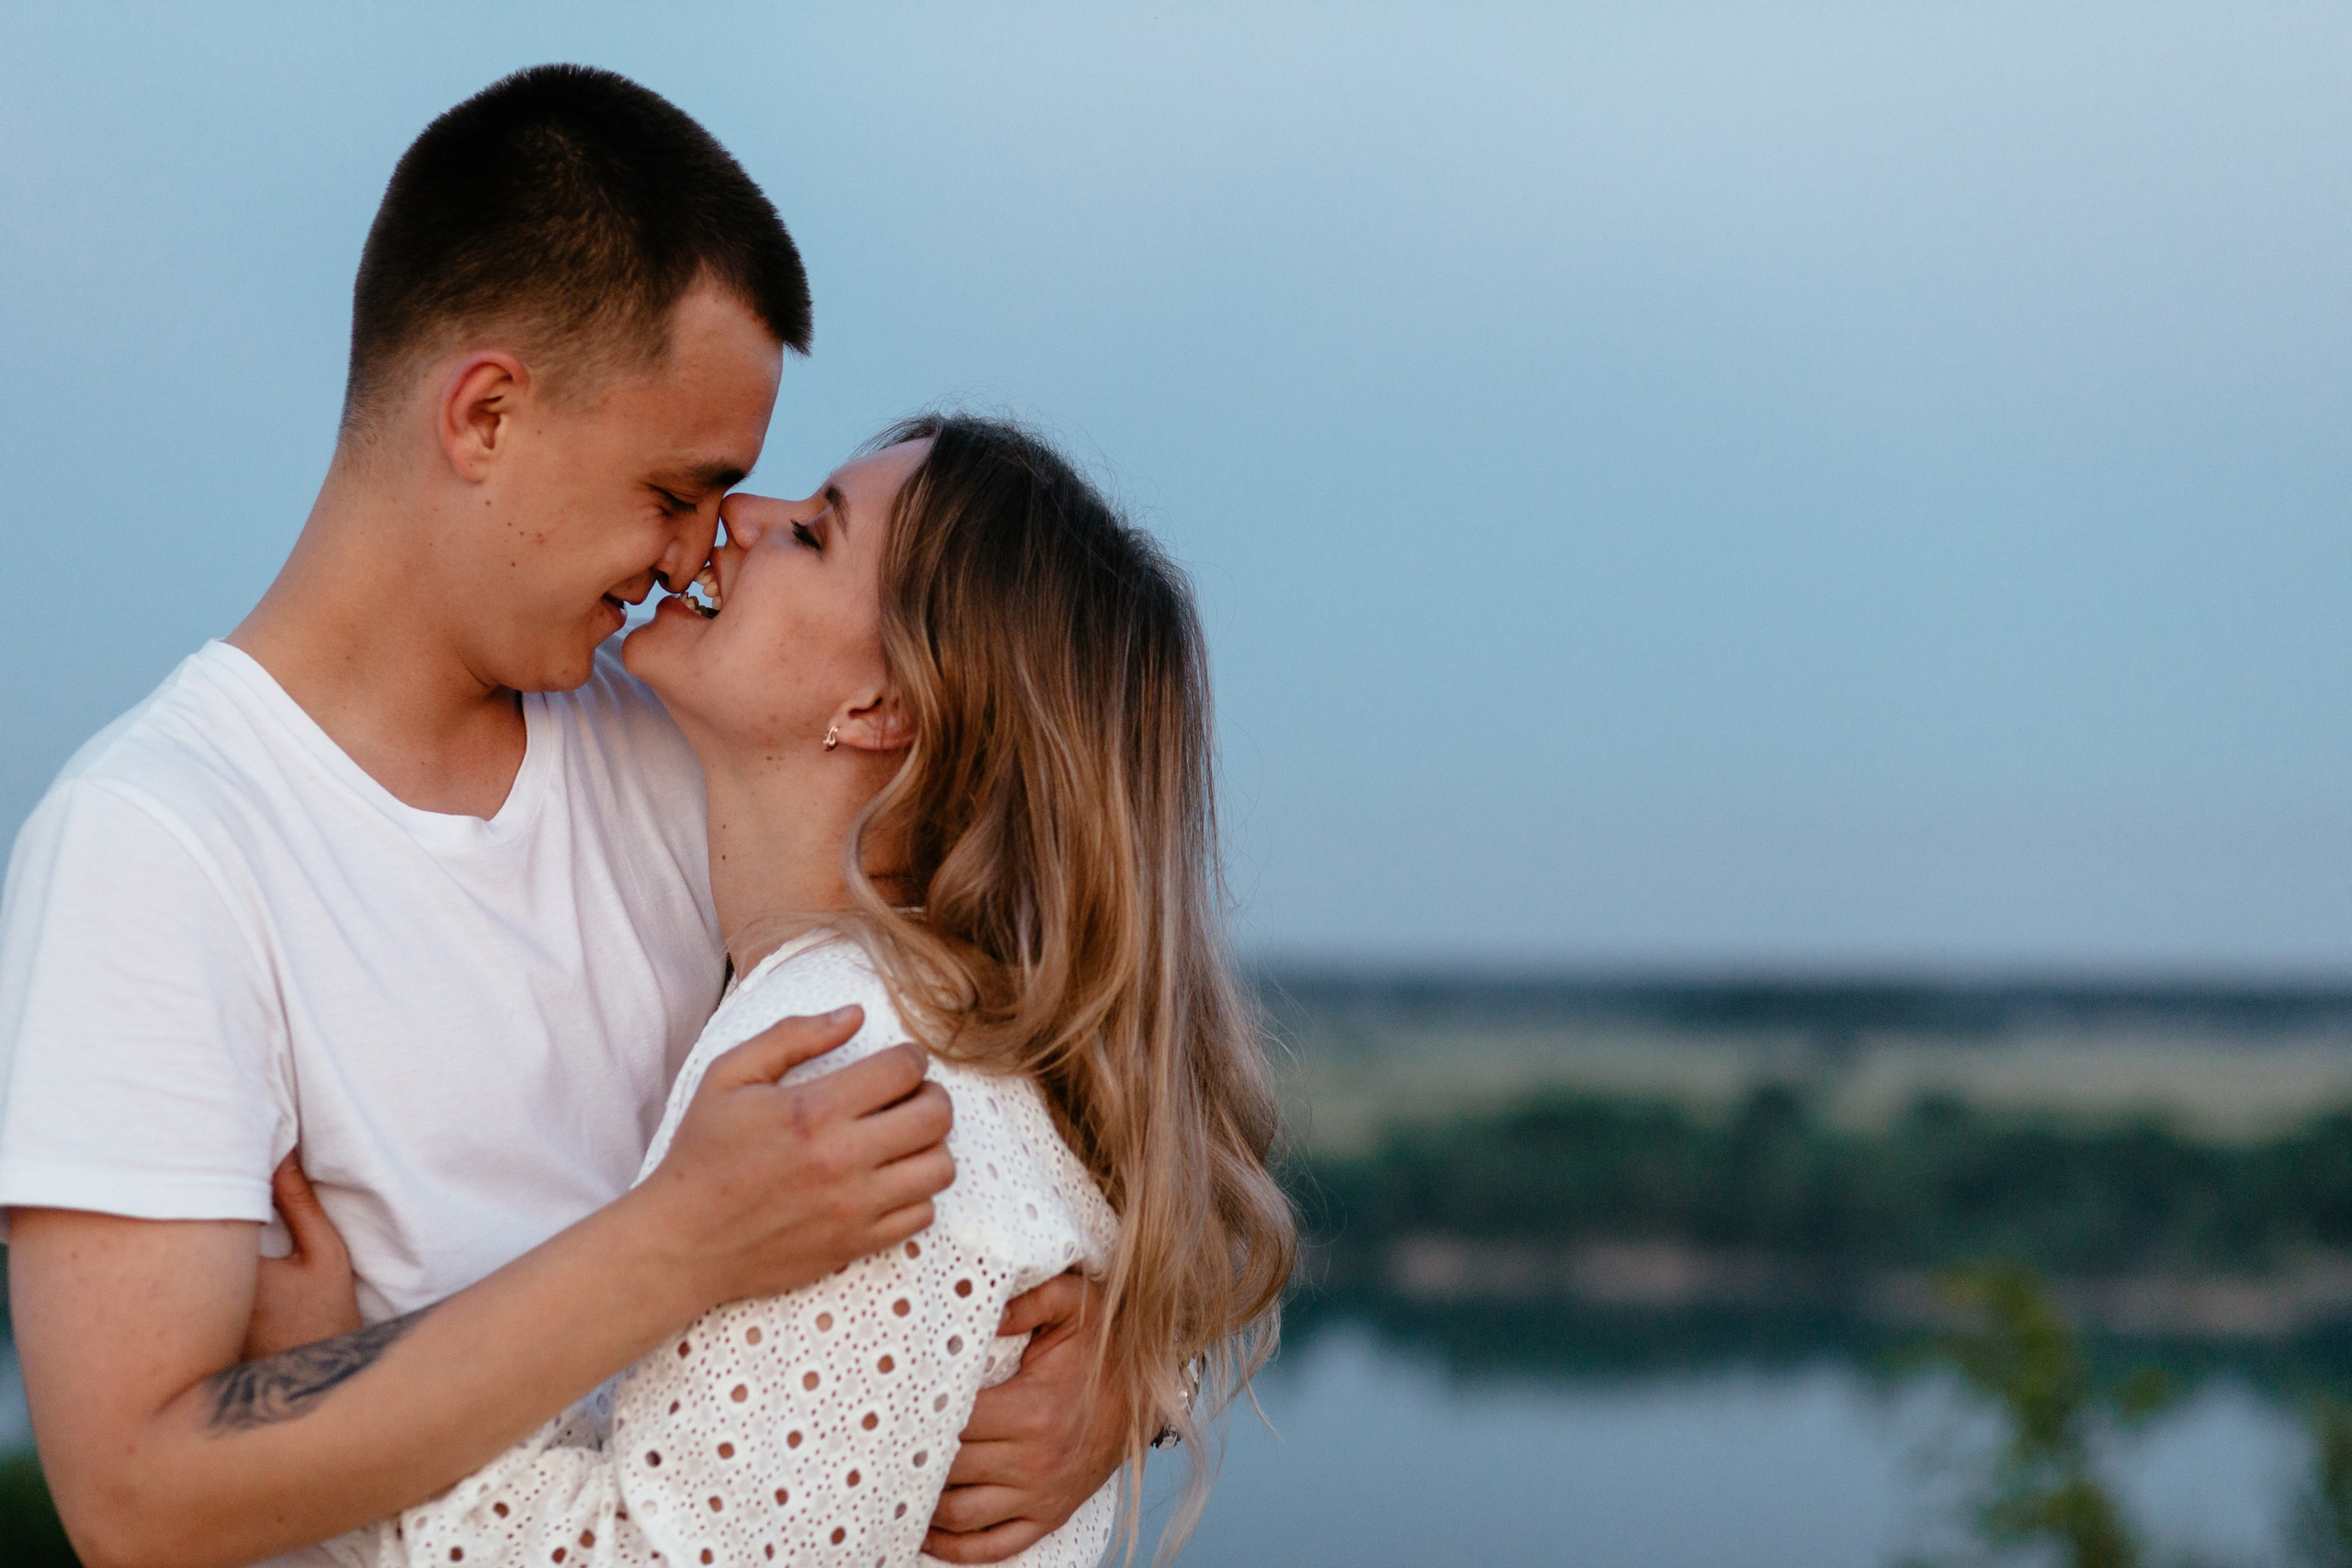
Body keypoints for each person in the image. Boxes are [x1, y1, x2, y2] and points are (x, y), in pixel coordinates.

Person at [0, 66, 1122, 1568]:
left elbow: (1066, 1047)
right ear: (486, 413)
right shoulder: (156, 850)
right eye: (676, 486)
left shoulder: (686, 737)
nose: (699, 547)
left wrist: (1120, 1363)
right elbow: (135, 1497)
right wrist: (675, 1239)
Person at [307, 414, 1295, 1567]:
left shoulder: (850, 1062)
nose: (740, 516)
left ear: (883, 709)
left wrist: (340, 1384)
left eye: (813, 534)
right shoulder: (898, 1018)